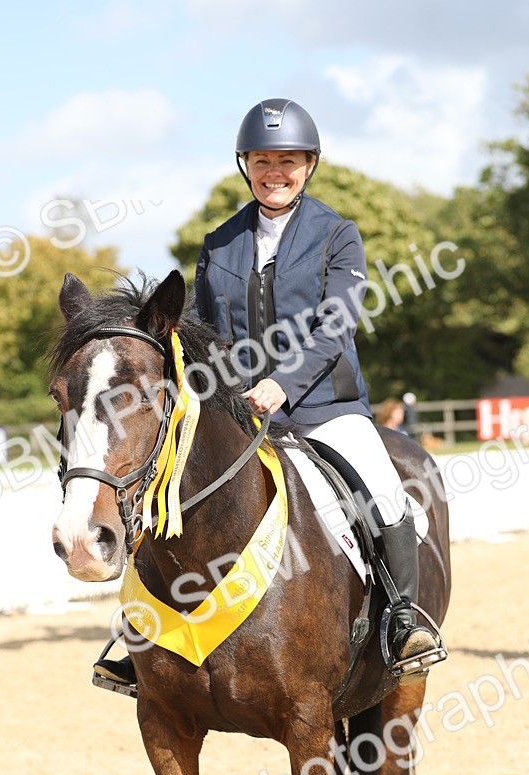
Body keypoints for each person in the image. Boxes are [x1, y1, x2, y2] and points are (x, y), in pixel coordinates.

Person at [95, 98, 444, 692]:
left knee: (385, 491)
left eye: (287, 161)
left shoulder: (338, 235)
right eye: (262, 161)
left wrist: (284, 383)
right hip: (237, 411)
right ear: (246, 166)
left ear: (309, 166)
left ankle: (403, 621)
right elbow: (201, 330)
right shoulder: (220, 242)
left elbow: (336, 326)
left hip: (325, 407)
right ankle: (143, 635)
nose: (273, 172)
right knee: (161, 488)